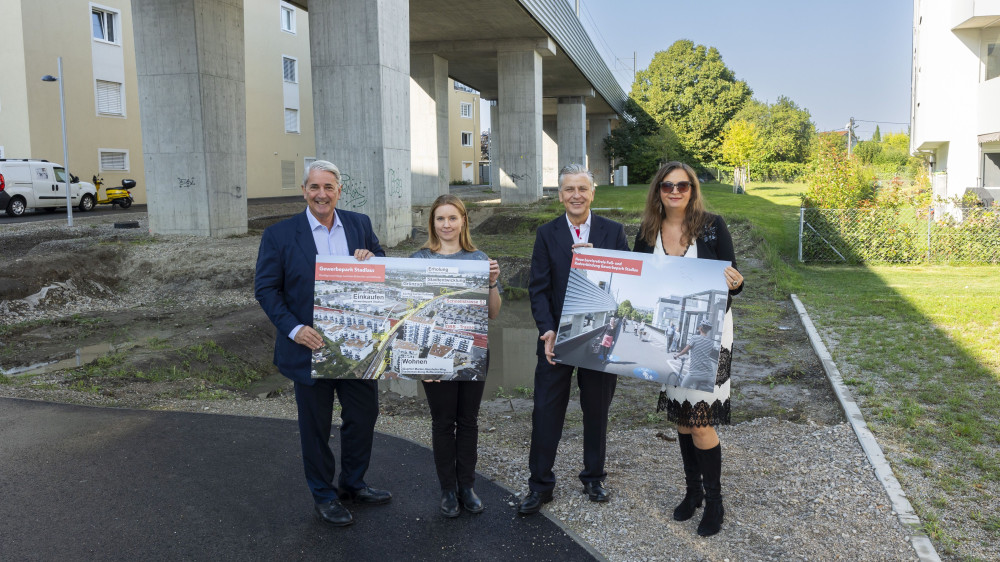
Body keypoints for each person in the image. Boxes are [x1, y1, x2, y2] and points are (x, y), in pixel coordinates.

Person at [254, 160, 391, 527]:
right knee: (315, 427)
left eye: (328, 187)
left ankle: (353, 484)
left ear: (338, 191)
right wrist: (295, 329)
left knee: (363, 417)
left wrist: (372, 259)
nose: (321, 194)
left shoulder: (359, 224)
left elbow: (383, 270)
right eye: (314, 187)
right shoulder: (280, 235)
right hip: (308, 346)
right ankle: (324, 495)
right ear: (304, 191)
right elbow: (266, 289)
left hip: (355, 346)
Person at [632, 161, 744, 537]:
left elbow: (732, 282)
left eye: (683, 185)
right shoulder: (649, 232)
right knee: (682, 417)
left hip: (707, 338)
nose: (675, 192)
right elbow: (639, 283)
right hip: (668, 337)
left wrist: (736, 283)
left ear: (693, 189)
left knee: (700, 421)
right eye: (668, 186)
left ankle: (715, 503)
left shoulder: (712, 226)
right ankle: (693, 492)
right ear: (658, 191)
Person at [519, 163, 629, 515]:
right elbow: (538, 288)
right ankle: (540, 485)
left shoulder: (613, 232)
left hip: (598, 336)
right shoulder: (547, 233)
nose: (576, 195)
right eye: (569, 189)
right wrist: (546, 330)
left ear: (593, 193)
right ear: (560, 194)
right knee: (546, 411)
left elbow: (626, 284)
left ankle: (594, 477)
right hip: (556, 340)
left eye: (583, 188)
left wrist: (601, 266)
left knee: (596, 410)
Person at [409, 194, 502, 518]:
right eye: (440, 219)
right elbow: (408, 315)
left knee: (468, 421)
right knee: (443, 422)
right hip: (434, 354)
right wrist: (421, 362)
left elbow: (492, 314)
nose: (446, 224)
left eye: (452, 218)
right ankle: (448, 490)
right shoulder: (418, 259)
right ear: (432, 223)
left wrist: (491, 283)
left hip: (473, 352)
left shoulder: (479, 259)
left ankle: (467, 486)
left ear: (464, 221)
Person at [674, 321, 717, 393]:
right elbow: (706, 354)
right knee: (695, 388)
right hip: (709, 373)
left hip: (695, 372)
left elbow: (685, 350)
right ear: (708, 330)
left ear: (700, 328)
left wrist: (677, 355)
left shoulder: (695, 338)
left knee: (682, 387)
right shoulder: (711, 342)